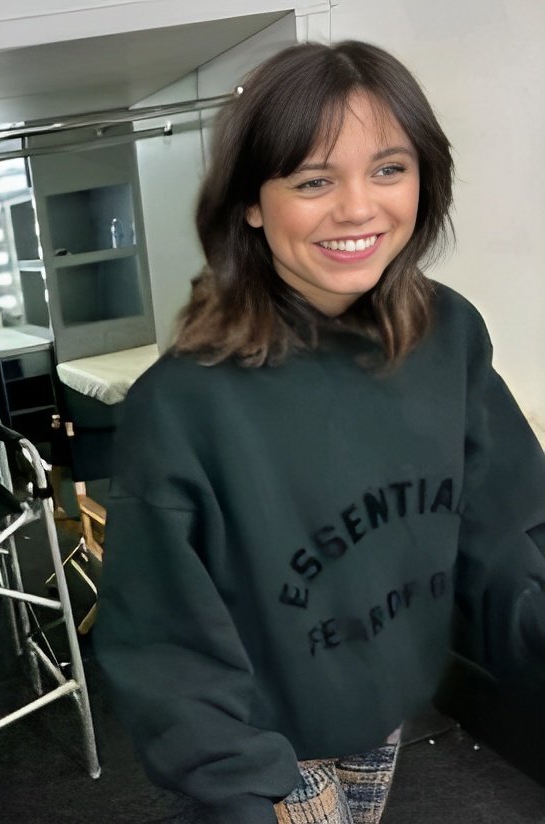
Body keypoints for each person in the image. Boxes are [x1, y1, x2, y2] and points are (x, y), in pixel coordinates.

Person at [93, 40, 545, 824]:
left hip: (382, 715)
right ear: (251, 202)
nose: (358, 208)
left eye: (388, 169)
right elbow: (163, 640)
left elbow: (504, 534)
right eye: (313, 180)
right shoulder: (185, 401)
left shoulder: (448, 335)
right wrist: (242, 788)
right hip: (267, 747)